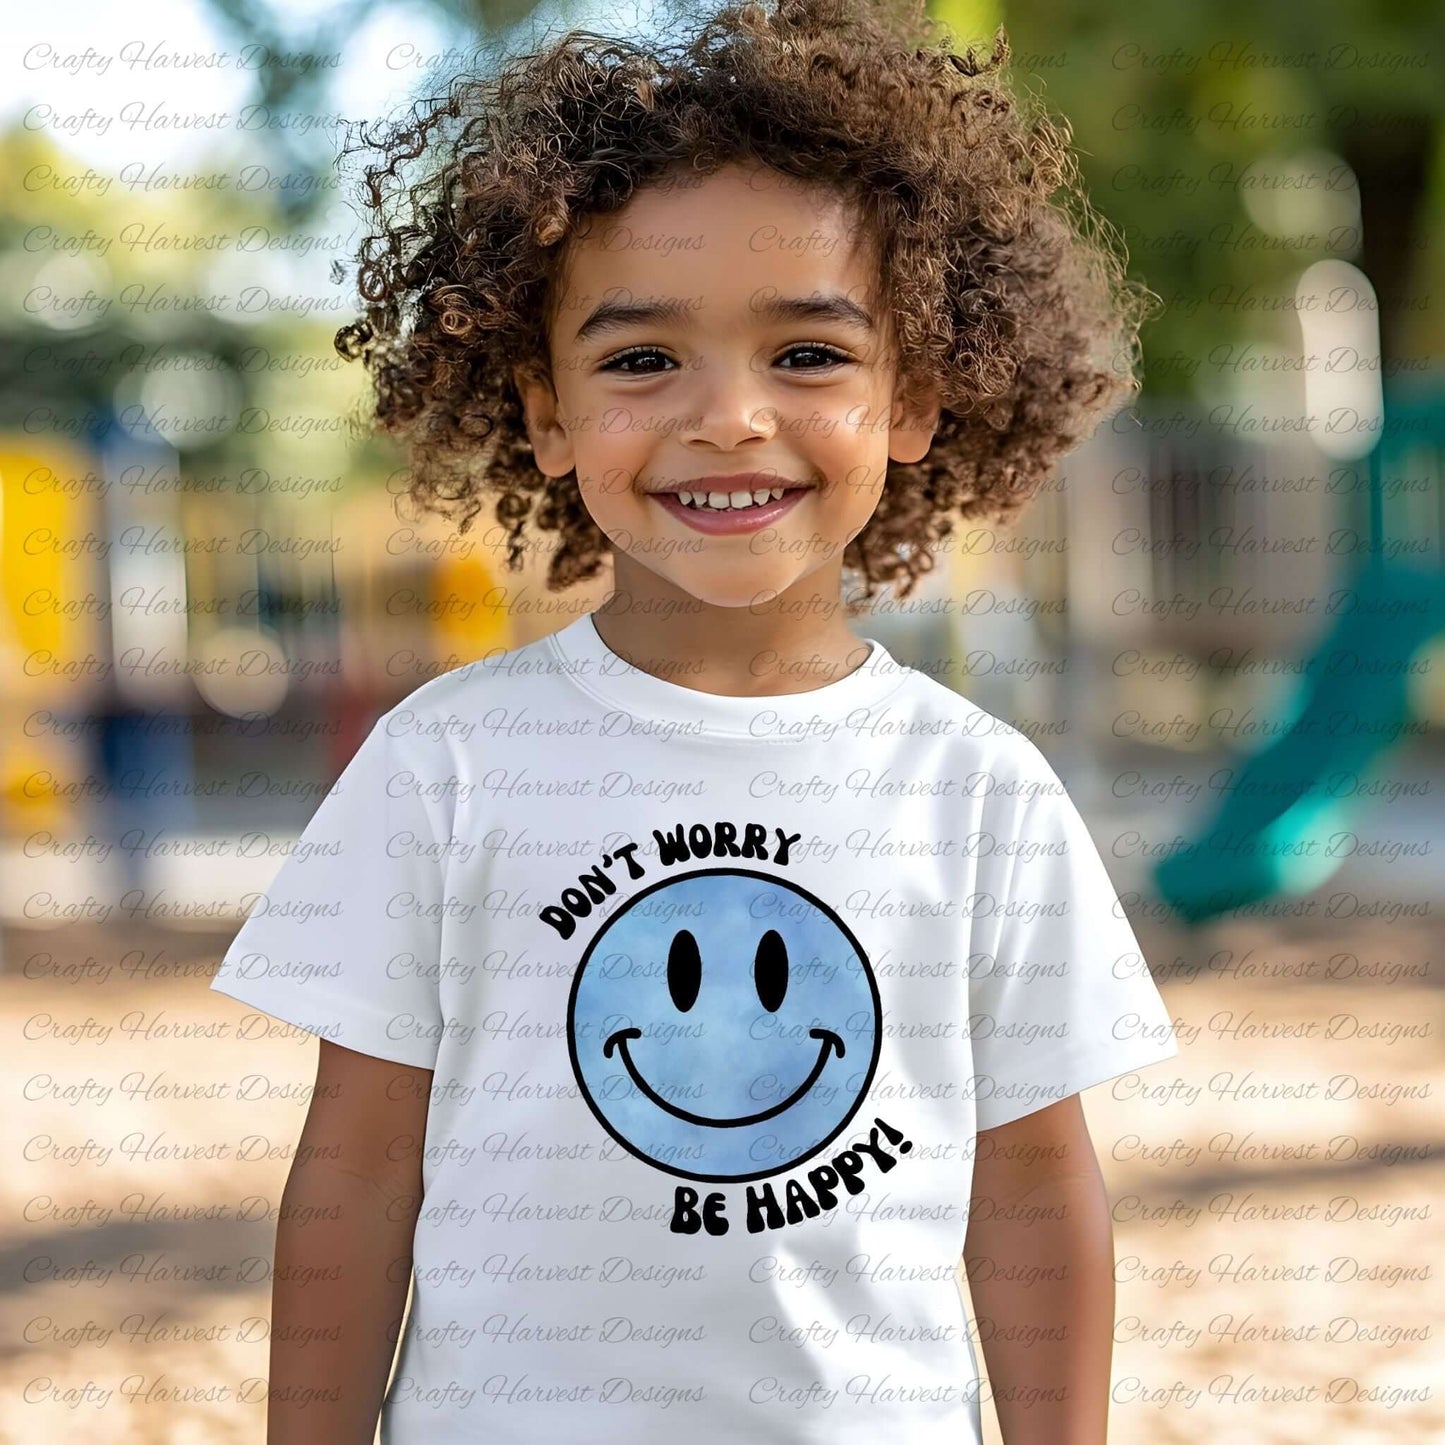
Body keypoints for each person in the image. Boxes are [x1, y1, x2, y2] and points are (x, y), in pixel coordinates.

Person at [210, 2, 1177, 1441]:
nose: (727, 417)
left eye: (806, 354)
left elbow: (1034, 1191)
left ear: (911, 396)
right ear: (544, 414)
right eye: (641, 360)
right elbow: (355, 1176)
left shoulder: (978, 791)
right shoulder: (444, 766)